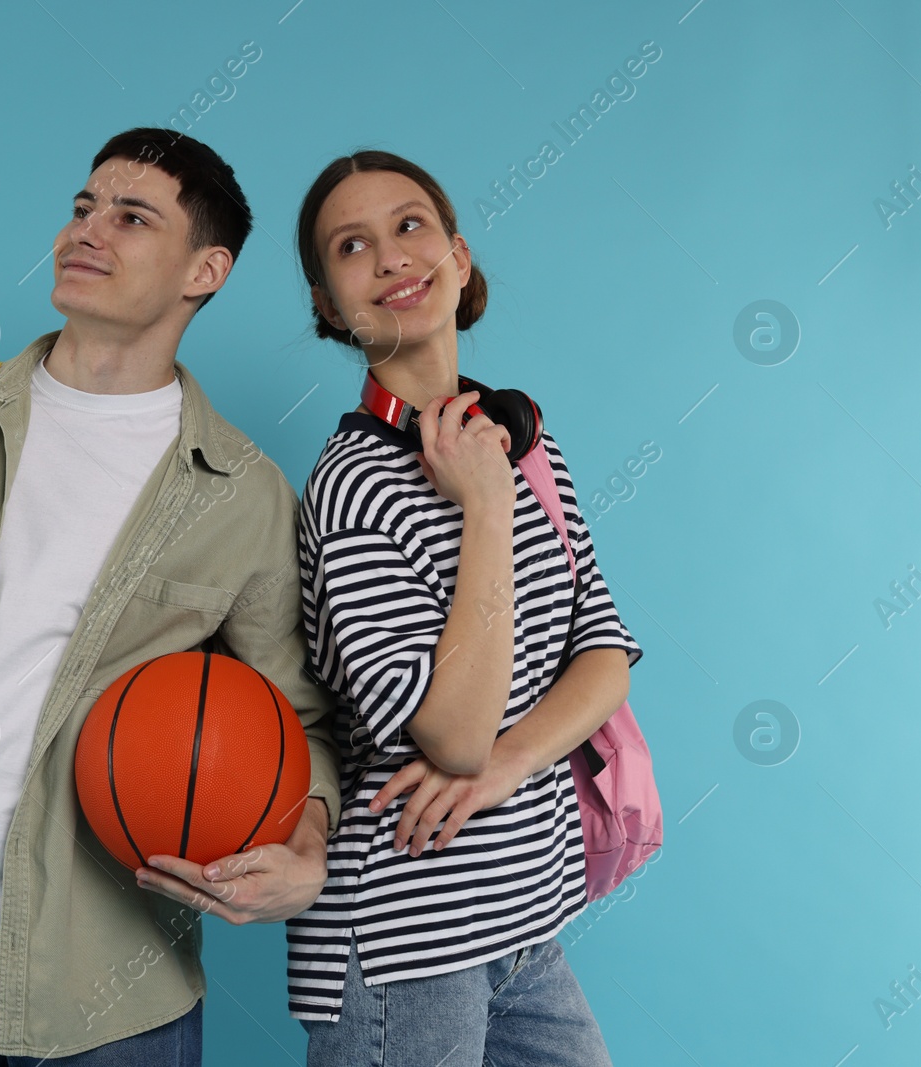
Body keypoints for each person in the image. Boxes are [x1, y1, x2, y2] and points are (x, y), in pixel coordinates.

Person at [0, 126, 344, 1066]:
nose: (88, 230)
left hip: (112, 971)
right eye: (83, 207)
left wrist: (310, 851)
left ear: (205, 269)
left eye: (132, 217)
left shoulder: (240, 490)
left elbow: (303, 715)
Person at [284, 149, 645, 1066]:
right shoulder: (351, 485)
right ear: (331, 305)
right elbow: (449, 737)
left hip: (525, 919)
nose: (393, 257)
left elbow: (601, 650)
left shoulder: (522, 439)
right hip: (405, 940)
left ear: (458, 254)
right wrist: (483, 507)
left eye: (410, 226)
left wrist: (515, 763)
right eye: (352, 246)